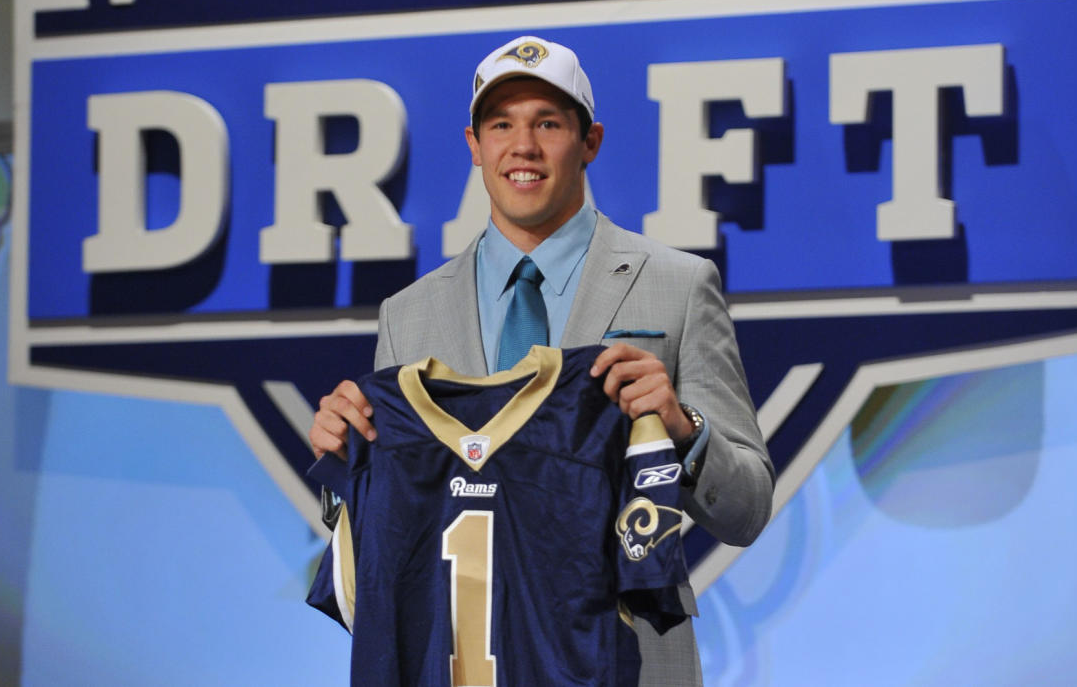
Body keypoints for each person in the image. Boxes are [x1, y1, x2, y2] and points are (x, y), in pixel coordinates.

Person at [309, 35, 775, 686]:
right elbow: (389, 538)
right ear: (474, 144)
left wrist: (683, 431)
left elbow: (749, 508)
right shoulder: (407, 314)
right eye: (501, 124)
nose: (522, 147)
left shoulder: (679, 285)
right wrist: (338, 466)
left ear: (591, 141)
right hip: (461, 663)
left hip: (628, 662)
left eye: (547, 123)